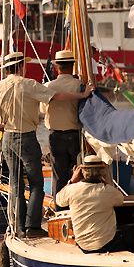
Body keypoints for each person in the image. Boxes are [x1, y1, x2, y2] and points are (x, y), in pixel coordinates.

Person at [0, 51, 94, 238]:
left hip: (7, 139)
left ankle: (19, 227)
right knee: (36, 183)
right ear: (21, 66)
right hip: (27, 137)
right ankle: (33, 227)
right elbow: (57, 97)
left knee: (15, 184)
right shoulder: (28, 85)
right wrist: (83, 94)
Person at [54, 156, 134, 253]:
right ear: (102, 172)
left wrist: (71, 181)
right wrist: (106, 180)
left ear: (82, 171)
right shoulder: (108, 191)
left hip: (83, 245)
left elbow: (59, 200)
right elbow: (120, 200)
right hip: (106, 244)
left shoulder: (71, 190)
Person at [42, 50, 84, 195]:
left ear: (56, 66)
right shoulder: (79, 85)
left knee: (58, 175)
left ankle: (59, 206)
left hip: (55, 136)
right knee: (76, 172)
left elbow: (43, 110)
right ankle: (75, 203)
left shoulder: (48, 86)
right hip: (74, 135)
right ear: (72, 66)